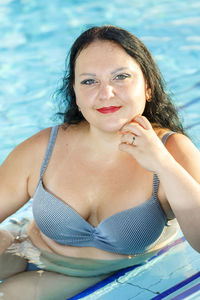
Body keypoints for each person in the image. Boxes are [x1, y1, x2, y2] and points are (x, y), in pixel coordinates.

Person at [0, 25, 200, 299]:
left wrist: (162, 164)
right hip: (22, 244)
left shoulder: (173, 150)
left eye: (121, 77)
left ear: (148, 87)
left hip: (78, 274)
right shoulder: (43, 148)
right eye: (89, 81)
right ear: (75, 92)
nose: (105, 93)